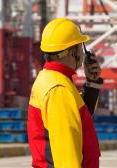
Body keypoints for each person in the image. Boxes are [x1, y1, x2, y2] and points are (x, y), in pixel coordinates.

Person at [27, 18, 103, 168]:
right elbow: (67, 156)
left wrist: (92, 83)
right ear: (71, 52)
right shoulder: (59, 89)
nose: (83, 52)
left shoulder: (49, 78)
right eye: (80, 47)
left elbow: (78, 119)